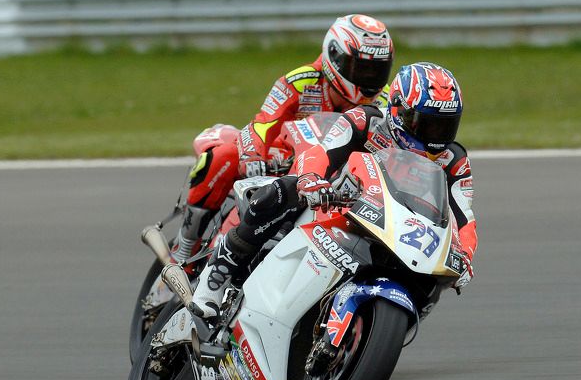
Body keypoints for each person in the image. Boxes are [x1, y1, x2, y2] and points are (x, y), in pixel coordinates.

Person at [190, 62, 478, 319]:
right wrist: (312, 179)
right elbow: (321, 151)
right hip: (333, 202)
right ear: (397, 111)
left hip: (392, 226)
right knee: (284, 191)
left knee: (437, 273)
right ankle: (219, 270)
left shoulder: (453, 159)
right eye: (423, 124)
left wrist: (464, 255)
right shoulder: (366, 120)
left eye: (443, 127)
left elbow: (464, 218)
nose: (432, 137)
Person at [169, 14, 394, 266]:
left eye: (378, 70)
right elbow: (262, 124)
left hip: (335, 184)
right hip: (281, 162)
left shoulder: (386, 102)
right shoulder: (300, 81)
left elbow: (395, 154)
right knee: (224, 156)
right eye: (361, 68)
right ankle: (185, 248)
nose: (370, 79)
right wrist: (252, 157)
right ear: (335, 58)